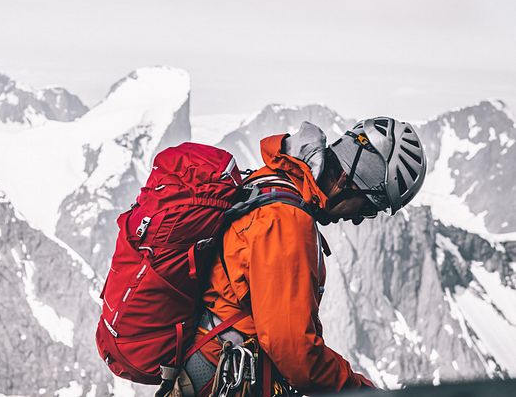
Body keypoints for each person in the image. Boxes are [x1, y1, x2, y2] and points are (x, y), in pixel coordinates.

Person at [178, 117, 427, 396]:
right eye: (369, 207)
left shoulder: (270, 182)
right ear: (347, 181)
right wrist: (360, 391)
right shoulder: (285, 220)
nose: (359, 219)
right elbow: (296, 354)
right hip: (224, 382)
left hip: (212, 371)